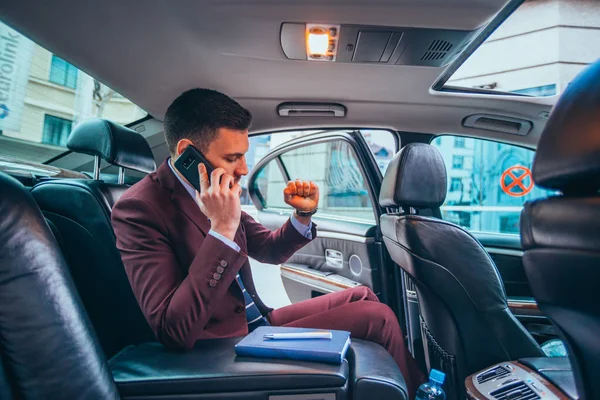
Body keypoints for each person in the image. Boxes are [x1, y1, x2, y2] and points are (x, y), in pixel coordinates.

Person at [111, 88, 425, 397]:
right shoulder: (140, 208)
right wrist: (221, 229)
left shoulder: (218, 191)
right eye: (233, 157)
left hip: (257, 320)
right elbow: (173, 330)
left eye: (244, 155)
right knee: (378, 318)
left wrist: (302, 216)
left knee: (363, 296)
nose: (244, 169)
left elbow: (270, 249)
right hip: (221, 345)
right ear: (187, 153)